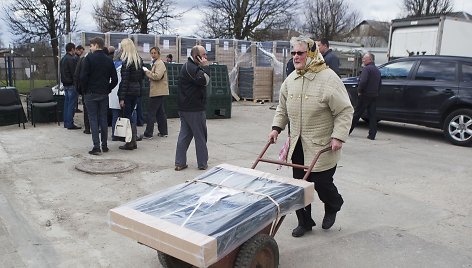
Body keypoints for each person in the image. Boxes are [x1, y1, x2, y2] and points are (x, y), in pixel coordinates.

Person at [268, 36, 353, 237]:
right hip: (297, 143)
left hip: (321, 144)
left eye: (300, 53)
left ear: (312, 53)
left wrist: (338, 136)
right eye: (293, 53)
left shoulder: (329, 79)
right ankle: (305, 222)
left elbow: (345, 111)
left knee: (322, 183)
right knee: (299, 187)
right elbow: (282, 108)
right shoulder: (291, 80)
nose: (295, 57)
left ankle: (334, 204)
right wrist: (276, 128)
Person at [80, 37, 118, 155]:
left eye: (91, 46)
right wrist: (108, 88)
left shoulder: (89, 58)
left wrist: (84, 90)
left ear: (96, 45)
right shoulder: (108, 60)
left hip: (90, 93)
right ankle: (104, 145)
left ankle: (96, 147)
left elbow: (83, 77)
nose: (90, 48)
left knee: (93, 119)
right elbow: (115, 79)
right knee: (103, 119)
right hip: (103, 93)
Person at [174, 45, 210, 171]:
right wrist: (206, 67)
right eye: (204, 55)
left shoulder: (189, 66)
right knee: (200, 136)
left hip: (185, 107)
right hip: (193, 108)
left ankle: (180, 162)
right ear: (197, 57)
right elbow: (205, 80)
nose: (206, 57)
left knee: (185, 134)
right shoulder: (192, 68)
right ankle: (202, 163)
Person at [117, 38, 145, 150]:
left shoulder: (126, 62)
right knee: (131, 116)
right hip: (136, 91)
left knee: (126, 117)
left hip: (128, 92)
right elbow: (141, 78)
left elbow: (124, 81)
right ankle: (133, 140)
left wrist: (121, 97)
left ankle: (129, 142)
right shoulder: (139, 60)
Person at [349, 52, 382, 140]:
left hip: (365, 94)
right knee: (372, 115)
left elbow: (363, 81)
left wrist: (359, 91)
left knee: (357, 114)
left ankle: (347, 130)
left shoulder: (367, 69)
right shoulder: (377, 70)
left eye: (364, 58)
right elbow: (379, 83)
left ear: (370, 60)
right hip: (374, 95)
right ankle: (372, 134)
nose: (363, 60)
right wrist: (376, 92)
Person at [141, 46, 169, 139]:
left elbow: (157, 76)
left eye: (155, 53)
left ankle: (148, 133)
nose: (153, 55)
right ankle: (163, 132)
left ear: (158, 53)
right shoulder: (156, 63)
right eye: (152, 53)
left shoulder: (159, 63)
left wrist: (146, 72)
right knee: (160, 112)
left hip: (158, 91)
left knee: (151, 112)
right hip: (159, 91)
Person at [60, 42, 80, 130]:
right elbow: (74, 73)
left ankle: (66, 122)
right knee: (71, 105)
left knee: (67, 104)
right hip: (71, 84)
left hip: (65, 84)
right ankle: (70, 123)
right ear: (72, 49)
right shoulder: (71, 59)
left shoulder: (63, 59)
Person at [74, 50, 90, 134]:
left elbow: (77, 75)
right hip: (96, 90)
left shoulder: (82, 60)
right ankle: (96, 127)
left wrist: (80, 89)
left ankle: (87, 128)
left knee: (86, 108)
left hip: (85, 90)